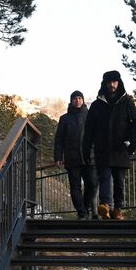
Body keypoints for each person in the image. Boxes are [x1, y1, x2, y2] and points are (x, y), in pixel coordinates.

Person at [83, 70, 136, 220]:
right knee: (104, 178)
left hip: (121, 148)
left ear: (119, 83)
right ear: (105, 84)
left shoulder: (127, 102)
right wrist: (86, 149)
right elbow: (89, 129)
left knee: (119, 181)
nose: (112, 85)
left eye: (114, 82)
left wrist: (132, 143)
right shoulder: (96, 105)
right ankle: (105, 206)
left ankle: (118, 209)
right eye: (109, 82)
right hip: (102, 148)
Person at [54, 91, 98, 219]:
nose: (77, 100)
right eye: (75, 98)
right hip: (72, 158)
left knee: (92, 184)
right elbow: (59, 140)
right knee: (75, 187)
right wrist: (58, 157)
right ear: (71, 101)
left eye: (79, 98)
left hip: (90, 157)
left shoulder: (91, 116)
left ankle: (85, 205)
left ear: (83, 100)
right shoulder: (65, 118)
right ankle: (82, 212)